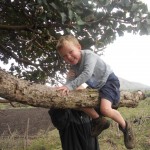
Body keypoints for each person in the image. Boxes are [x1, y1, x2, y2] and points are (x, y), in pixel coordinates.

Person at [56, 35, 135, 149]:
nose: (69, 57)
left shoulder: (89, 55)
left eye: (70, 52)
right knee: (77, 100)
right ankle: (98, 120)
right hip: (97, 87)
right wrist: (68, 79)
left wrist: (69, 85)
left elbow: (87, 73)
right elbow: (72, 84)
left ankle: (126, 126)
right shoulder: (73, 67)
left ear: (79, 47)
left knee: (105, 109)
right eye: (64, 56)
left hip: (108, 82)